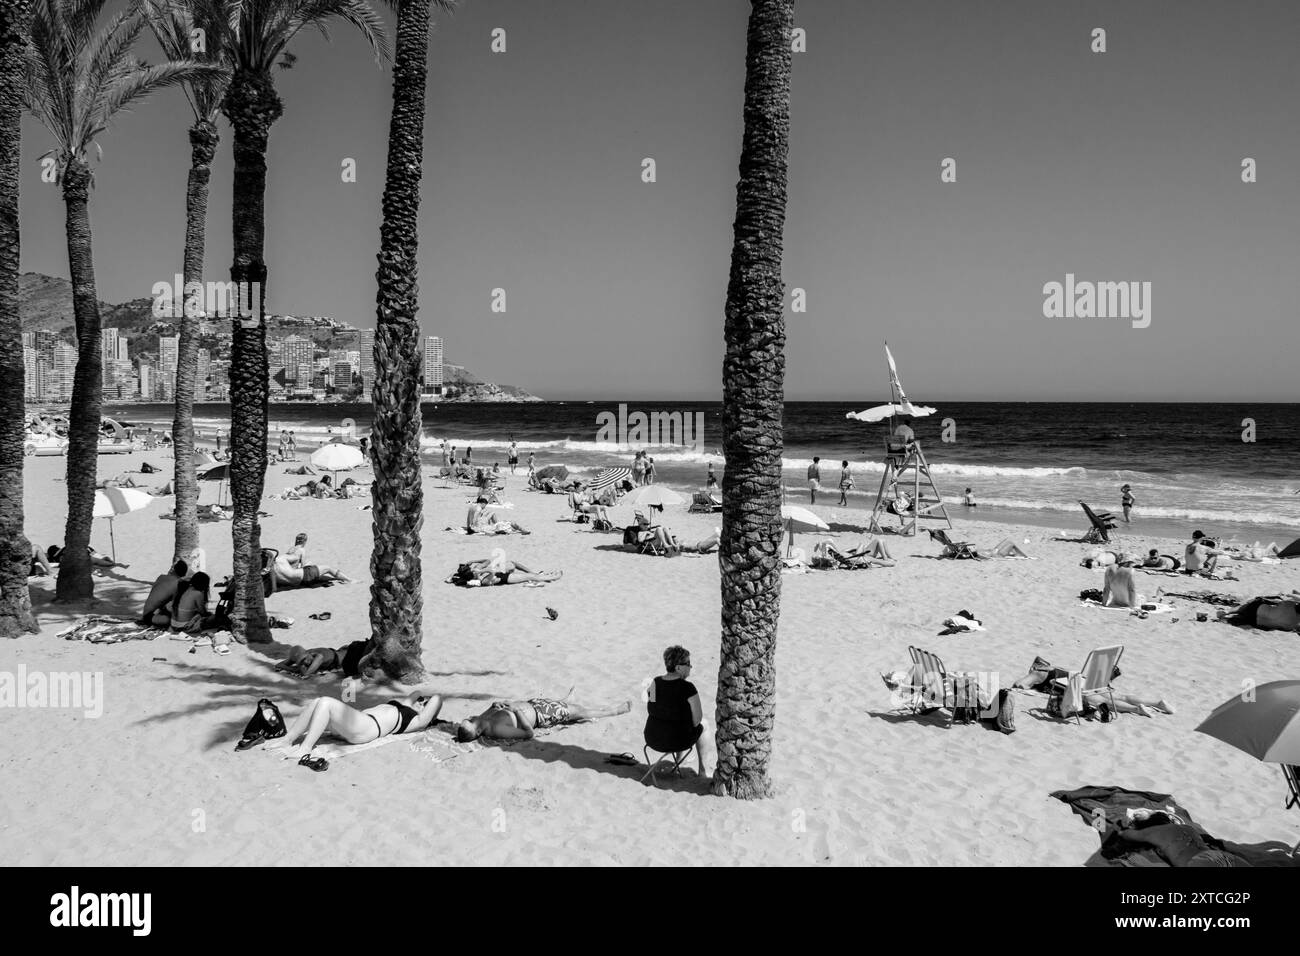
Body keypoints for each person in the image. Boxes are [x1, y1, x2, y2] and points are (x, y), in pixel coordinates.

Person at [267, 691, 444, 768]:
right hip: (357, 723)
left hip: (368, 728)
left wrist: (430, 704)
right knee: (317, 702)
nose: (422, 702)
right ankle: (288, 739)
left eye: (425, 704)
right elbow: (415, 693)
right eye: (422, 701)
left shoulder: (417, 720)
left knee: (326, 702)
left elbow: (437, 699)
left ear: (429, 713)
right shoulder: (406, 706)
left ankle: (305, 748)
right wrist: (419, 698)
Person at [644, 645, 714, 778]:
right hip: (678, 741)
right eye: (687, 664)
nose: (690, 667)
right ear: (678, 667)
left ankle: (679, 760)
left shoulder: (654, 683)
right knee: (704, 725)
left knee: (672, 721)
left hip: (652, 739)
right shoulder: (688, 689)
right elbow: (697, 720)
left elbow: (651, 709)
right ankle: (703, 771)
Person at [454, 691, 630, 742]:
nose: (470, 717)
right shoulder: (496, 730)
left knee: (567, 704)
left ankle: (565, 701)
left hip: (534, 704)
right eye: (470, 721)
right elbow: (527, 734)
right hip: (542, 714)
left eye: (468, 719)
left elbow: (493, 709)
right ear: (477, 732)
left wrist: (494, 705)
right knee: (580, 711)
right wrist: (515, 710)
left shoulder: (482, 718)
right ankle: (613, 711)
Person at [170, 572, 231, 653]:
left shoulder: (184, 588)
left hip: (173, 624)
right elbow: (203, 612)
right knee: (217, 618)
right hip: (185, 627)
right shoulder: (198, 594)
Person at [275, 532, 352, 586]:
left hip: (289, 574)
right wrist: (309, 564)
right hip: (298, 576)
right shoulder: (302, 550)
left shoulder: (291, 549)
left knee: (321, 576)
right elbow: (303, 566)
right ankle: (348, 580)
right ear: (304, 541)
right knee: (327, 569)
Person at [451, 554, 561, 587]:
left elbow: (487, 561)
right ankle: (553, 577)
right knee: (530, 578)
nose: (474, 569)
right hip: (506, 579)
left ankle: (534, 572)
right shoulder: (481, 580)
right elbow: (492, 572)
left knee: (513, 563)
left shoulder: (477, 569)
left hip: (500, 572)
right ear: (472, 575)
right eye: (472, 570)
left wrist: (474, 560)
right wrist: (479, 572)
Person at [139, 559, 188, 626]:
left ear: (173, 569)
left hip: (147, 614)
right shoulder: (178, 584)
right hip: (152, 617)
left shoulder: (161, 577)